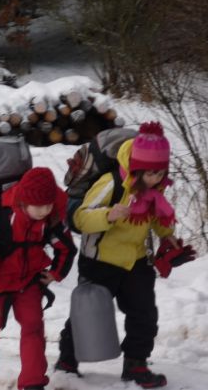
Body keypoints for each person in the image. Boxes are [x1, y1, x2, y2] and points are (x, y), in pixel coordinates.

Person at [55, 121, 196, 388]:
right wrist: (108, 214)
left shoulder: (155, 187)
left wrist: (168, 235)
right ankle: (67, 360)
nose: (155, 179)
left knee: (144, 313)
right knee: (88, 312)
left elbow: (156, 216)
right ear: (137, 167)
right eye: (150, 173)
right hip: (99, 260)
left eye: (160, 173)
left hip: (135, 260)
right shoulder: (111, 184)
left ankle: (136, 364)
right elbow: (82, 218)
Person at [0, 167, 77, 390]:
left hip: (27, 284)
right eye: (39, 206)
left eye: (48, 205)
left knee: (34, 329)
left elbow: (66, 249)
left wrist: (55, 273)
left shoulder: (48, 221)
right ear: (24, 201)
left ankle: (33, 383)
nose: (45, 210)